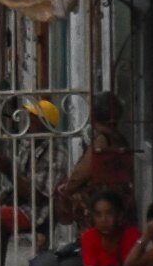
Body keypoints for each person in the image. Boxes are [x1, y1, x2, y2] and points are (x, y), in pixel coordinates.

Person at [57, 91, 135, 224]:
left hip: (102, 199)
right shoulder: (118, 138)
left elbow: (82, 172)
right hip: (119, 198)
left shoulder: (102, 139)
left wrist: (67, 189)